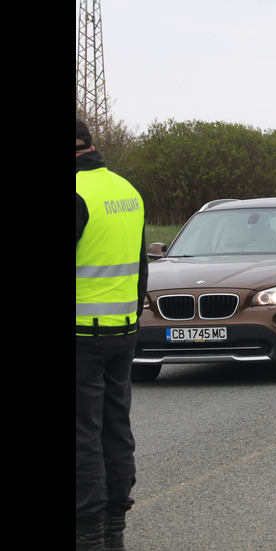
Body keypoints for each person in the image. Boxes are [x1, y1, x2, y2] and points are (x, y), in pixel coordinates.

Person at [76, 119, 148, 550]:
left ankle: (87, 536)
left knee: (82, 435)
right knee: (114, 428)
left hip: (82, 334)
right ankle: (113, 531)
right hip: (123, 331)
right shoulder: (127, 190)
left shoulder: (78, 194)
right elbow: (141, 267)